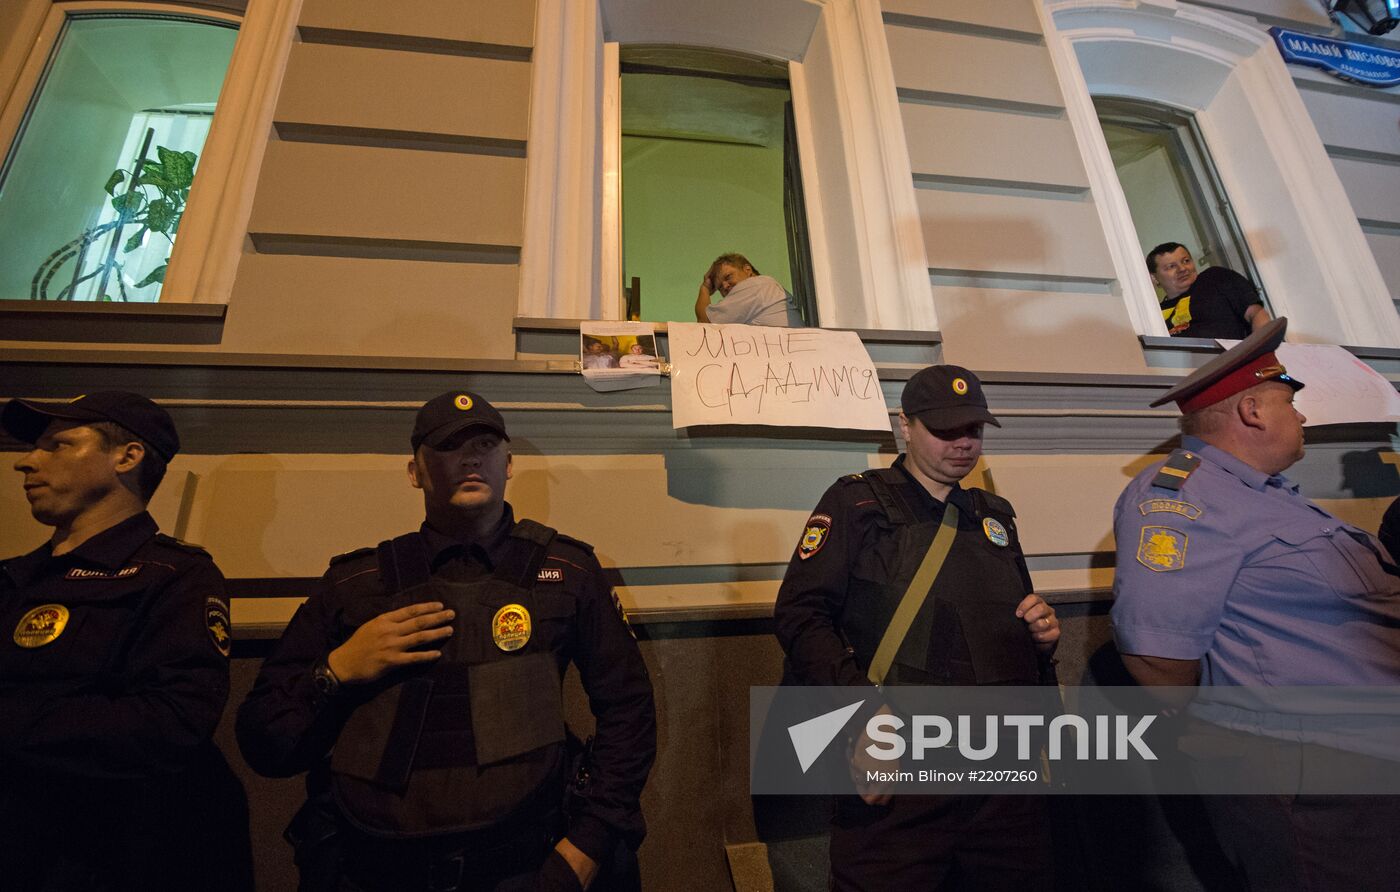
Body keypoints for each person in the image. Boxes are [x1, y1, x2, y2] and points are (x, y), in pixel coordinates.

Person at [237, 390, 656, 892]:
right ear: (414, 472)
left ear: (508, 464)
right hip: (377, 869)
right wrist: (338, 671)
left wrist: (584, 850)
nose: (471, 457)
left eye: (484, 443)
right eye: (449, 446)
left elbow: (629, 712)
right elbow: (265, 745)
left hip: (528, 867)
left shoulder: (567, 572)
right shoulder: (356, 585)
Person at [1111, 318, 1400, 890]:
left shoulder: (1268, 497)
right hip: (1315, 779)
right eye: (1291, 403)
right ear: (1253, 411)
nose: (1303, 417)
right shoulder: (1182, 497)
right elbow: (1157, 659)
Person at [774, 365, 1061, 891]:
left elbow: (1014, 620)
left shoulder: (992, 515)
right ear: (904, 425)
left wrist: (1040, 633)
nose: (964, 444)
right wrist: (864, 718)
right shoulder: (857, 504)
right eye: (946, 430)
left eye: (973, 430)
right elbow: (800, 616)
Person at [0, 391, 251, 892]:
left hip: (108, 858)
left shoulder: (173, 576)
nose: (26, 462)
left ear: (128, 457)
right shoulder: (11, 580)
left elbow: (172, 722)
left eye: (58, 445)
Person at [1148, 242, 1271, 339]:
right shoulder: (1154, 314)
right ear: (1154, 278)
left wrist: (1263, 352)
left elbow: (1257, 314)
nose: (1182, 269)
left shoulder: (1215, 278)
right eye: (1171, 266)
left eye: (1186, 261)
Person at [694, 252, 804, 327]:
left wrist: (705, 288)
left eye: (728, 277)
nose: (725, 286)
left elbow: (705, 324)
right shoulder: (768, 286)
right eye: (720, 287)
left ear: (747, 269)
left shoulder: (756, 285)